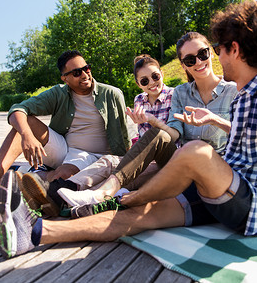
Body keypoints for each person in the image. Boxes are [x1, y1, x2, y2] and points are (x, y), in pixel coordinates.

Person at [0, 0, 257, 260]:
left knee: (195, 154)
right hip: (219, 190)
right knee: (140, 217)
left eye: (214, 48)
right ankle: (35, 233)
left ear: (232, 49)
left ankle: (114, 195)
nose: (206, 57)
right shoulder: (246, 93)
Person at [25, 33, 238, 211]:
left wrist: (215, 120)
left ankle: (76, 195)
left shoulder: (233, 90)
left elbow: (246, 135)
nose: (199, 62)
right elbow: (174, 134)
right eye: (191, 60)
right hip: (177, 160)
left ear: (211, 51)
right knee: (116, 159)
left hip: (214, 168)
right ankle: (60, 193)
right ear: (183, 65)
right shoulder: (182, 93)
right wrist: (155, 122)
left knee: (130, 168)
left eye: (202, 54)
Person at [0, 50, 131, 207]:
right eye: (76, 73)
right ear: (65, 78)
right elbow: (17, 109)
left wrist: (130, 164)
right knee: (24, 123)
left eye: (86, 68)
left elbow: (123, 134)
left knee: (64, 176)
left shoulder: (112, 94)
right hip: (64, 148)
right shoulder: (58, 93)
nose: (84, 75)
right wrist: (27, 136)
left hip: (94, 156)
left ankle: (25, 178)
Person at [20, 54, 175, 214]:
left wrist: (153, 121)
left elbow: (175, 136)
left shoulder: (175, 96)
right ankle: (57, 196)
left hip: (168, 159)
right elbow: (136, 137)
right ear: (138, 84)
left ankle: (55, 196)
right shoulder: (140, 100)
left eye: (155, 76)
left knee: (121, 179)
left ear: (162, 74)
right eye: (144, 81)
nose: (151, 82)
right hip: (144, 159)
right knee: (108, 162)